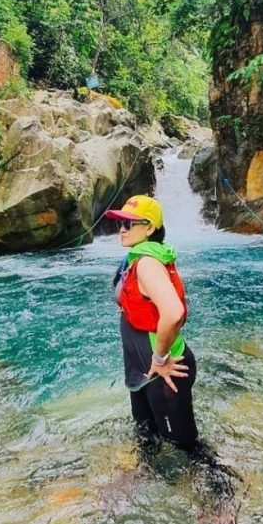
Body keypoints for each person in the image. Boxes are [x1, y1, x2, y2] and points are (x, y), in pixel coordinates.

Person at [106, 194, 200, 454]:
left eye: (130, 224)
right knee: (146, 435)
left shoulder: (147, 263)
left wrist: (159, 359)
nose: (122, 230)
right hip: (144, 368)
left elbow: (173, 312)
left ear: (149, 228)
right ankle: (145, 485)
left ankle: (224, 494)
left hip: (164, 370)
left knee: (187, 449)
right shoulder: (139, 257)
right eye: (120, 223)